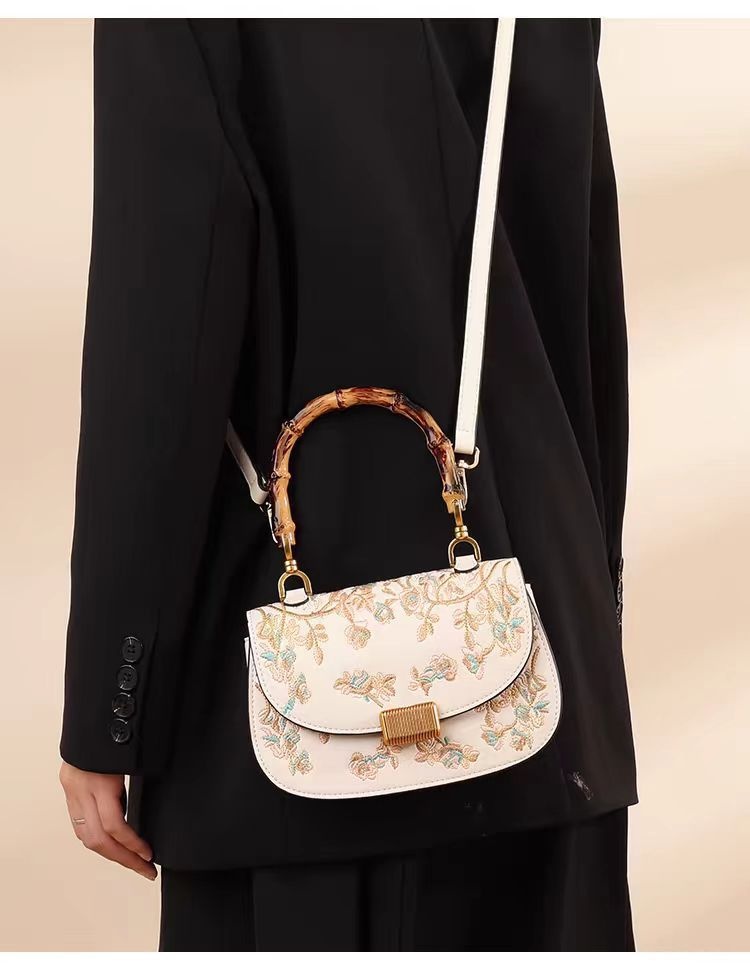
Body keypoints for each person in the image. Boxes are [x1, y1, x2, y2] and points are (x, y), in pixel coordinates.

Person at [59, 19, 637, 951]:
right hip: (546, 705)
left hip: (303, 741)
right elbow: (581, 292)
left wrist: (112, 707)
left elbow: (163, 326)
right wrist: (587, 625)